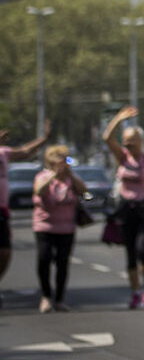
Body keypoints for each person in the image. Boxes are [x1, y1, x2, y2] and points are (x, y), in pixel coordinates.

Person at [103, 106, 144, 309]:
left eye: (132, 140)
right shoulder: (122, 158)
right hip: (126, 210)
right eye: (126, 140)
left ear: (140, 142)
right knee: (130, 253)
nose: (128, 144)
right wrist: (119, 118)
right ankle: (135, 292)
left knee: (142, 250)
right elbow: (107, 138)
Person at [1, 120, 52, 308]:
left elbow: (25, 151)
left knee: (5, 252)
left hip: (2, 211)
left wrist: (44, 139)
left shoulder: (4, 153)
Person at [31, 145, 84, 313]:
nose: (63, 162)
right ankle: (46, 296)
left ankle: (59, 299)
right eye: (60, 159)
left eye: (65, 159)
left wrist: (70, 175)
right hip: (45, 225)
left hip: (66, 227)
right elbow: (39, 191)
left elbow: (85, 192)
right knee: (44, 258)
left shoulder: (70, 179)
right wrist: (54, 174)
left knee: (62, 263)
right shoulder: (43, 176)